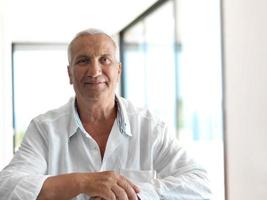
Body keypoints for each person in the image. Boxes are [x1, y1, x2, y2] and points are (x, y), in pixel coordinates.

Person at [0, 28, 212, 200]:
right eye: (83, 60)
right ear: (70, 74)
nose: (95, 71)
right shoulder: (44, 128)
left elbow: (199, 185)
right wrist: (85, 182)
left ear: (118, 71)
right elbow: (7, 187)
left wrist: (133, 195)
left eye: (104, 59)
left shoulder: (149, 126)